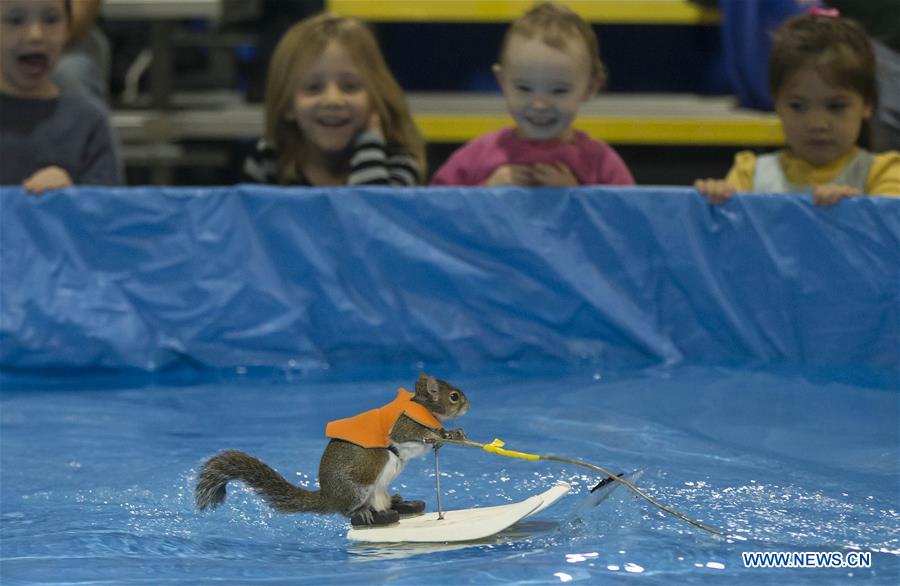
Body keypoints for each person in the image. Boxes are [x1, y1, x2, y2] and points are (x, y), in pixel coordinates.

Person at [695, 11, 900, 206]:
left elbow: (889, 229)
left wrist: (859, 211)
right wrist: (716, 205)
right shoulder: (749, 176)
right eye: (798, 106)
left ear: (867, 104)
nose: (817, 123)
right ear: (777, 104)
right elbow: (730, 237)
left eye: (836, 106)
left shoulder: (883, 173)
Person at [430, 2, 635, 187]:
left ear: (590, 87)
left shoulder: (601, 165)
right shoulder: (475, 159)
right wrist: (485, 193)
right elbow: (435, 214)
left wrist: (576, 196)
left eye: (559, 90)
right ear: (502, 82)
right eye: (524, 88)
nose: (539, 104)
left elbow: (628, 223)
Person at [241, 13, 425, 186]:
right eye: (313, 88)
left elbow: (373, 217)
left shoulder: (398, 161)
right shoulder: (269, 158)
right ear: (288, 105)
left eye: (350, 87)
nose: (333, 100)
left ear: (376, 97)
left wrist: (370, 141)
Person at [0, 0, 122, 193]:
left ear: (68, 29)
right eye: (16, 20)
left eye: (51, 20)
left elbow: (106, 214)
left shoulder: (88, 121)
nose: (36, 35)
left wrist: (71, 199)